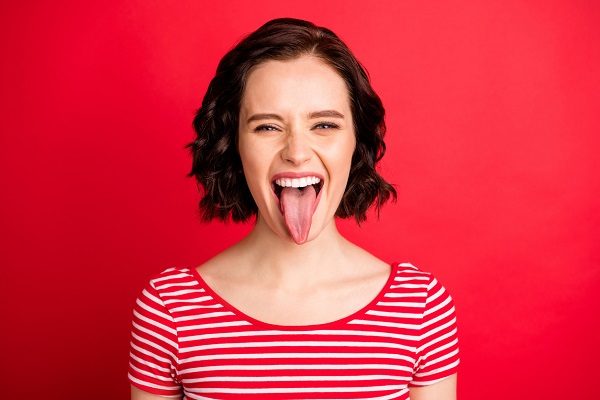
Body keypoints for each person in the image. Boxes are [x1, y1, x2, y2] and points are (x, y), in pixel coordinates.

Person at [128, 18, 459, 400]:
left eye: (324, 125)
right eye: (267, 127)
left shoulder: (418, 307)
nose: (297, 152)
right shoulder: (170, 309)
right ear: (234, 145)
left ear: (357, 143)